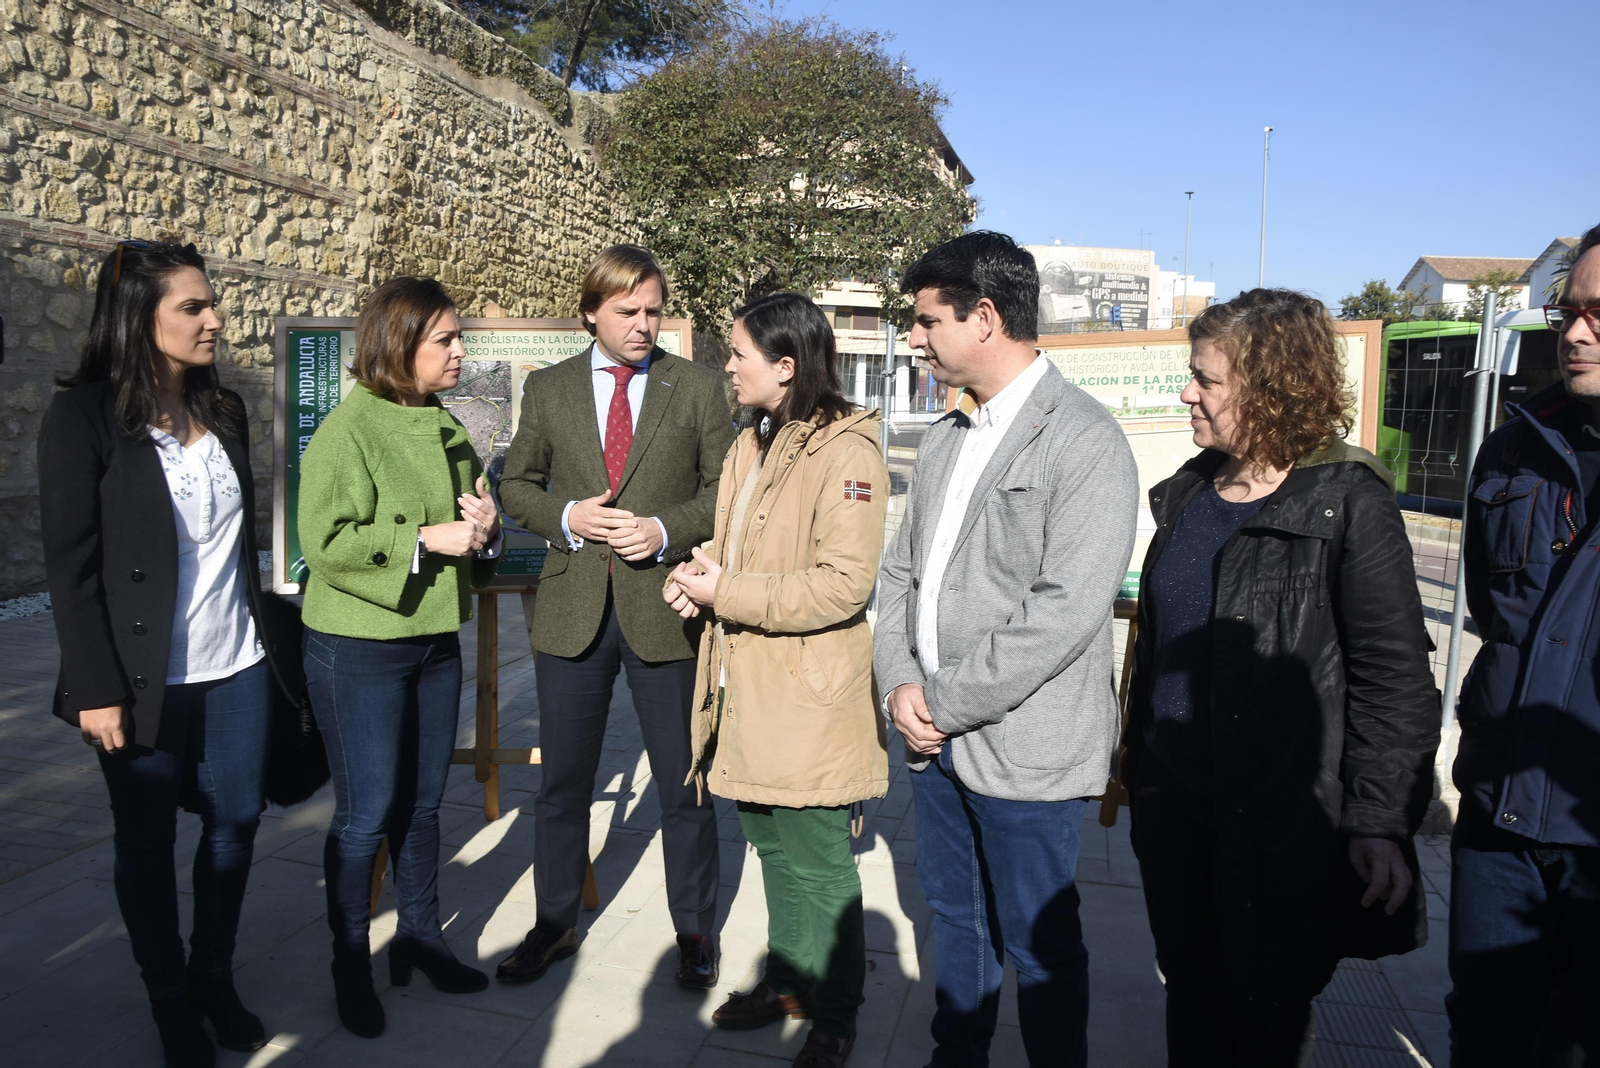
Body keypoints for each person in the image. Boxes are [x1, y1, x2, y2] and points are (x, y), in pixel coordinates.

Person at [1123, 288, 1440, 1066]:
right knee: (1191, 992)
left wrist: (1378, 821)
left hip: (1278, 823)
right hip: (1176, 813)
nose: (1187, 393)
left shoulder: (1347, 503)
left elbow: (1393, 678)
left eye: (1206, 379)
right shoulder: (1192, 491)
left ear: (1270, 386)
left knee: (1261, 1013)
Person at [873, 231, 1139, 1068]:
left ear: (983, 317)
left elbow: (1064, 610)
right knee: (957, 921)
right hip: (932, 742)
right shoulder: (947, 436)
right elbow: (900, 577)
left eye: (925, 321)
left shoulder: (1085, 441)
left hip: (1025, 755)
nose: (914, 339)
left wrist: (941, 702)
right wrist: (897, 688)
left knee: (1040, 949)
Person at [38, 241, 295, 1068]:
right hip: (141, 680)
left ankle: (212, 973)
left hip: (237, 666)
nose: (215, 319)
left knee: (237, 823)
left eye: (211, 303)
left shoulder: (221, 410)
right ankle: (167, 995)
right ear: (138, 319)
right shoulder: (80, 418)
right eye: (194, 307)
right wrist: (95, 687)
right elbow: (70, 571)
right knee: (145, 842)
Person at [496, 245, 736, 988]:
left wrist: (663, 531)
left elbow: (723, 492)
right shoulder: (550, 390)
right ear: (591, 313)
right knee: (563, 785)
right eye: (627, 311)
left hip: (665, 610)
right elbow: (518, 486)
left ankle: (695, 931)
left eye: (653, 311)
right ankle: (554, 923)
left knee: (683, 785)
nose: (642, 325)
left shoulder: (694, 387)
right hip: (571, 611)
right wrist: (569, 516)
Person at [663, 292, 890, 1068]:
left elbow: (841, 586)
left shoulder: (847, 452)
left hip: (806, 695)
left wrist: (723, 592)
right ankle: (789, 979)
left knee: (819, 860)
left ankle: (836, 1014)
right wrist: (695, 577)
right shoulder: (748, 445)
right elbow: (735, 556)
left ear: (786, 366)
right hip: (744, 683)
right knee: (771, 846)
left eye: (739, 356)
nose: (726, 367)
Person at [297, 276, 502, 1038]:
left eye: (458, 338)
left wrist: (486, 528)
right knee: (363, 816)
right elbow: (323, 543)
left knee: (420, 805)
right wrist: (423, 541)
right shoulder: (349, 430)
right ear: (399, 344)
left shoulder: (444, 426)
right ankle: (350, 960)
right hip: (358, 648)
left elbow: (470, 533)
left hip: (432, 643)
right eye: (445, 340)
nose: (459, 353)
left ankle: (420, 937)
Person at [1450, 222, 1600, 1065]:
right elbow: (1492, 612)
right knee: (1489, 1037)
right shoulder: (1513, 448)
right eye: (1567, 310)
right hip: (1500, 827)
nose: (1575, 333)